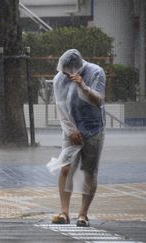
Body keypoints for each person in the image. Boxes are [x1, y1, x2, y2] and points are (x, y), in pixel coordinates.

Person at [47, 49, 106, 227]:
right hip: (71, 130)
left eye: (67, 70)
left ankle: (83, 214)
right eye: (62, 70)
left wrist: (83, 86)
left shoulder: (96, 72)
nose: (64, 73)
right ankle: (64, 212)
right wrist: (70, 130)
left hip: (93, 129)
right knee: (66, 168)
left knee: (89, 172)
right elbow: (60, 106)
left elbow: (98, 101)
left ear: (76, 68)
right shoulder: (59, 79)